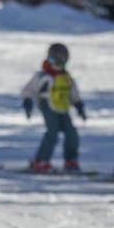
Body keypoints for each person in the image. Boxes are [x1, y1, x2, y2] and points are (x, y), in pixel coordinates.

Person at [21, 43, 87, 172]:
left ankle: (70, 160)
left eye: (63, 60)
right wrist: (28, 102)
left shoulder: (66, 77)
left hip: (63, 108)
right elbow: (29, 90)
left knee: (72, 133)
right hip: (48, 107)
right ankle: (41, 161)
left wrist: (79, 106)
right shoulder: (43, 76)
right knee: (52, 133)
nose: (60, 64)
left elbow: (73, 93)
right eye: (58, 60)